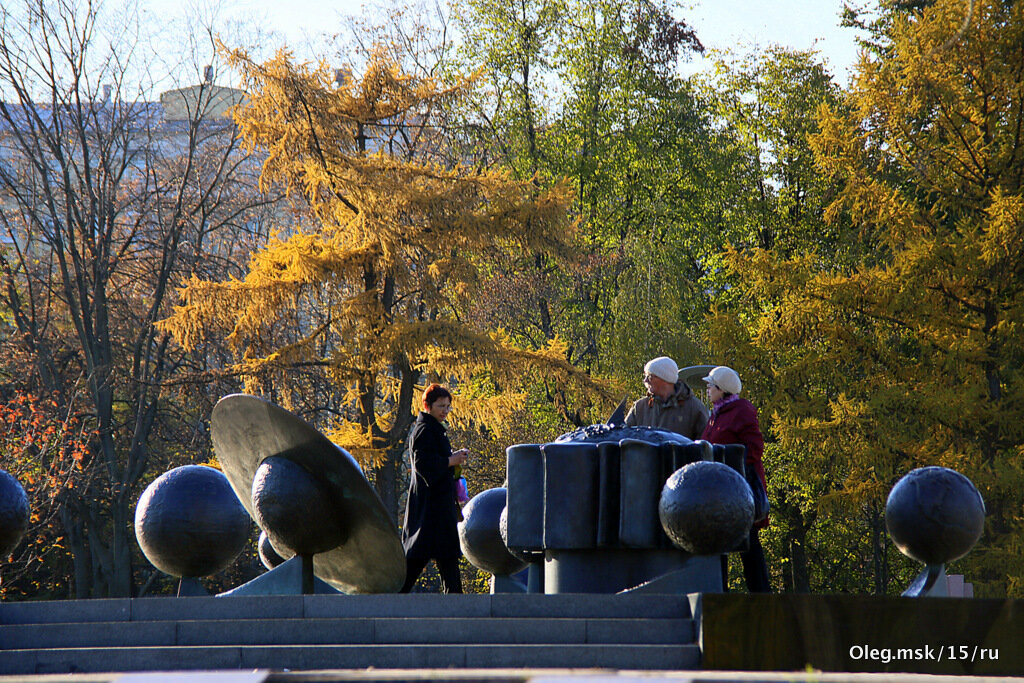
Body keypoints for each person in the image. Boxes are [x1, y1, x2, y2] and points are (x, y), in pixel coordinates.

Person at [700, 365, 771, 593]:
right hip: (719, 490)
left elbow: (754, 450)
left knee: (748, 541)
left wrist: (729, 465)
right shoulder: (716, 413)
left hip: (740, 489)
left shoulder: (742, 411)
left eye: (711, 384)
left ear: (722, 389)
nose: (708, 388)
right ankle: (719, 592)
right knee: (718, 540)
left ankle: (761, 595)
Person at [400, 383, 468, 594]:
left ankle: (456, 601)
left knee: (443, 556)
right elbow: (423, 465)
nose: (445, 411)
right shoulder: (425, 430)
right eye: (441, 406)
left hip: (436, 509)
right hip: (431, 509)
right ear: (428, 406)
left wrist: (452, 460)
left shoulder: (432, 428)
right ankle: (392, 598)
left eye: (448, 406)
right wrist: (451, 460)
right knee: (420, 557)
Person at [625, 356, 709, 440]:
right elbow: (623, 436)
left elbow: (704, 445)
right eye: (645, 376)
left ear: (664, 379)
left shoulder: (694, 407)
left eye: (650, 376)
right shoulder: (640, 407)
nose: (645, 380)